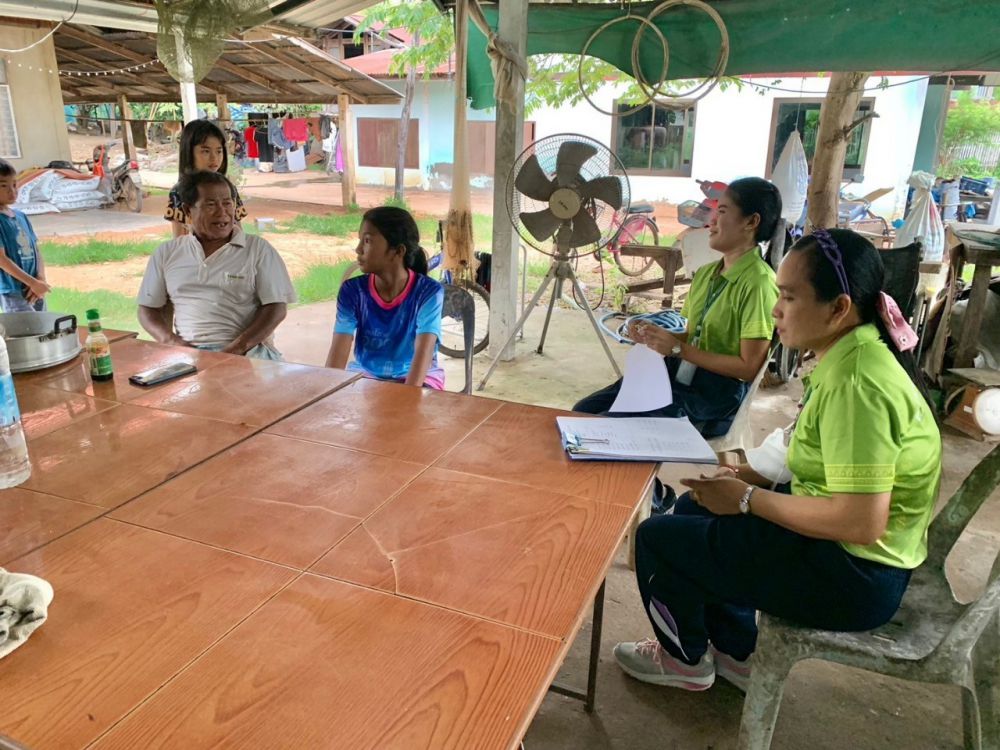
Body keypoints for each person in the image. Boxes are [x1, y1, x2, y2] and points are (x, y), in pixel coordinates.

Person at [613, 228, 942, 693]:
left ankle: (682, 659)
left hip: (855, 577)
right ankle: (736, 652)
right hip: (845, 553)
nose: (776, 310)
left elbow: (860, 522)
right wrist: (745, 478)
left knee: (658, 539)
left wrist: (746, 498)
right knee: (691, 509)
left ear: (838, 308)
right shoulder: (853, 353)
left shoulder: (857, 384)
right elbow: (818, 462)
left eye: (789, 297)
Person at [574, 177, 783, 439]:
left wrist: (678, 349)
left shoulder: (759, 284)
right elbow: (693, 335)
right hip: (679, 376)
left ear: (751, 222)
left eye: (721, 211)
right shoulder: (707, 273)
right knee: (582, 412)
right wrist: (655, 336)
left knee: (606, 428)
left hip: (714, 396)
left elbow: (749, 367)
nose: (711, 221)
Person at [138, 171, 295, 359]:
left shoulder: (257, 249)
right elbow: (147, 309)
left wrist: (236, 349)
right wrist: (172, 342)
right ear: (188, 211)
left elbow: (276, 308)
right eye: (211, 205)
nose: (222, 212)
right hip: (187, 355)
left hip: (246, 354)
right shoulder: (167, 252)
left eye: (227, 203)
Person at [326, 206, 444, 389]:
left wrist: (404, 400)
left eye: (367, 240)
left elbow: (423, 354)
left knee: (416, 403)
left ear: (398, 251)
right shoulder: (352, 291)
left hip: (418, 379)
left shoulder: (428, 293)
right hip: (366, 375)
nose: (358, 249)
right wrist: (326, 391)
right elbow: (337, 358)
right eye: (360, 240)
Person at [165, 119, 248, 238]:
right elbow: (179, 238)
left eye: (219, 151)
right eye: (206, 151)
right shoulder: (178, 192)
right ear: (189, 152)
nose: (214, 158)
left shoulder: (229, 188)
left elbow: (238, 231)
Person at [0, 160, 50, 313]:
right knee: (25, 327)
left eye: (14, 184)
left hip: (35, 288)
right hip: (13, 290)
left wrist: (40, 279)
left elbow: (36, 250)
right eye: (3, 186)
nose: (12, 191)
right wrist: (31, 282)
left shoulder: (21, 216)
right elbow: (1, 260)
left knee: (43, 325)